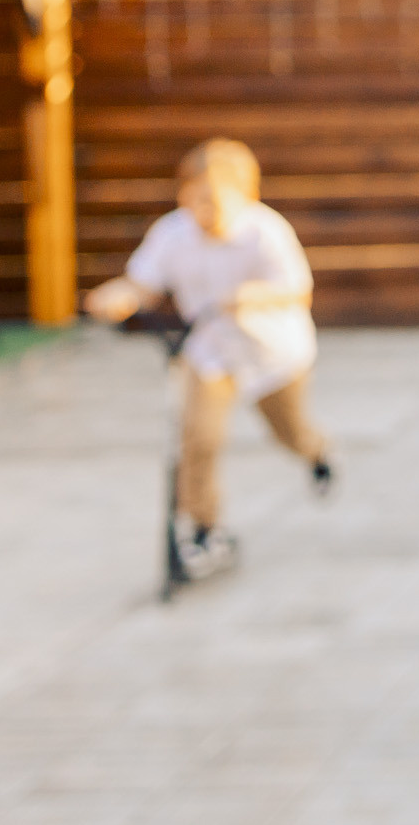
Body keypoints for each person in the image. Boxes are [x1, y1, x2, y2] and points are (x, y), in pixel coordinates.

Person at [85, 137, 331, 580]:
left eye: (217, 200)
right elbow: (143, 282)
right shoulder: (172, 233)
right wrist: (117, 296)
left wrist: (250, 296)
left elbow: (297, 289)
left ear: (246, 197)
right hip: (210, 350)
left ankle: (315, 452)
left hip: (270, 351)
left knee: (288, 432)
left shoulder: (265, 231)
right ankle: (203, 527)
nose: (206, 210)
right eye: (197, 199)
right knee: (199, 439)